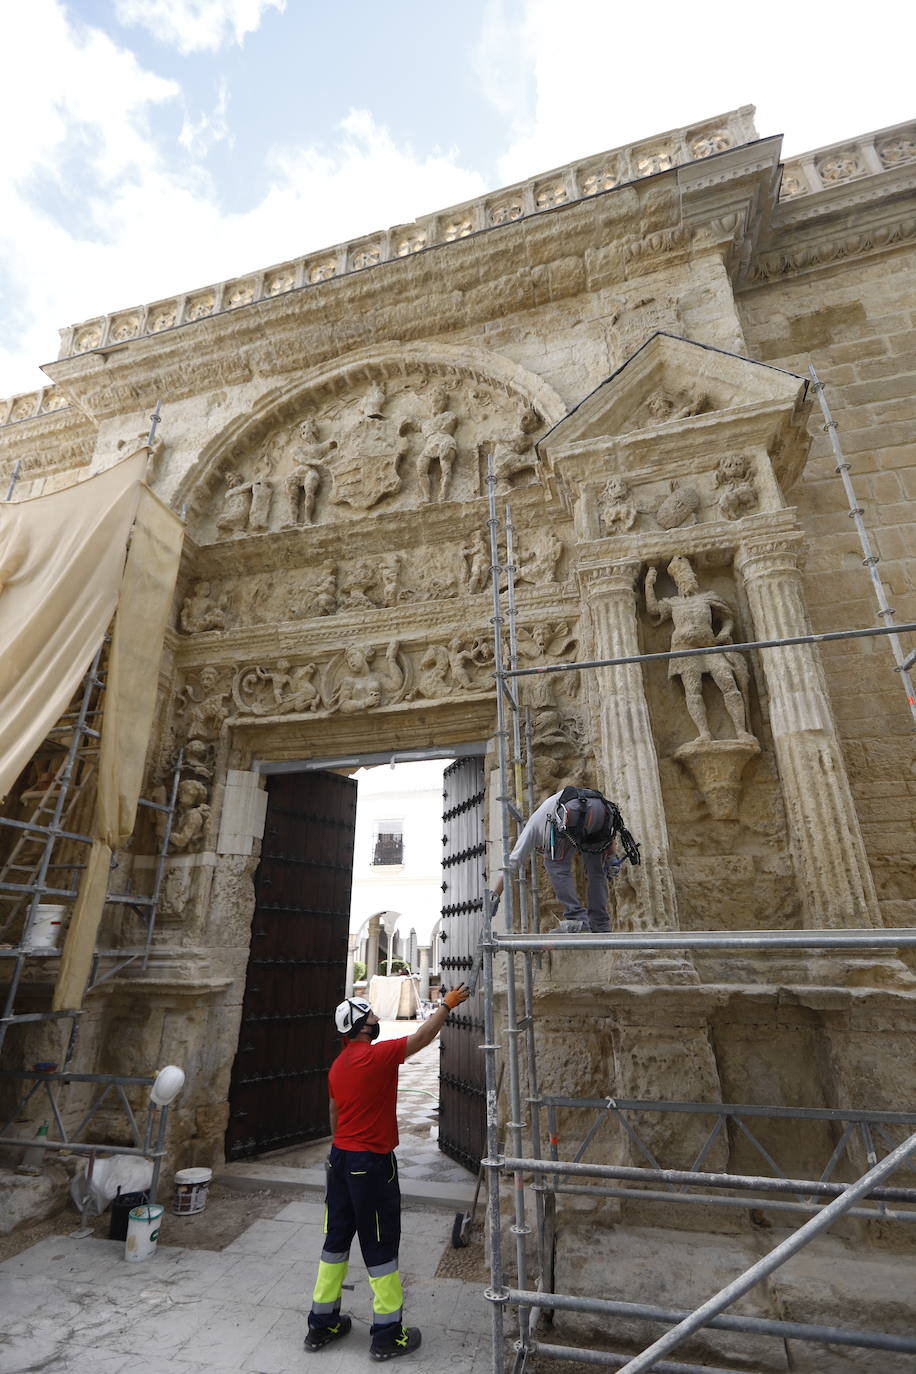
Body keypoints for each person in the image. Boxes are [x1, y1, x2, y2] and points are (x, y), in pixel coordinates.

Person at [305, 984, 470, 1360]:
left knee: (335, 1240)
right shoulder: (376, 1057)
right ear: (363, 1027)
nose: (379, 1022)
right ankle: (386, 1334)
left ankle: (322, 1323)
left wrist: (340, 1147)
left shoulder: (338, 1065)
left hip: (341, 1160)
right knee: (380, 1244)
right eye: (374, 1018)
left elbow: (333, 1113)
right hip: (371, 1164)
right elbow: (423, 1037)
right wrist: (447, 1004)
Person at [492, 785, 639, 933]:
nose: (544, 850)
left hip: (572, 812)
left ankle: (577, 919)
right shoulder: (545, 814)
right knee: (596, 871)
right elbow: (605, 832)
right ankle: (600, 924)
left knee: (555, 865)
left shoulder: (532, 829)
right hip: (602, 809)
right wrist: (611, 857)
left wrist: (494, 896)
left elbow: (511, 864)